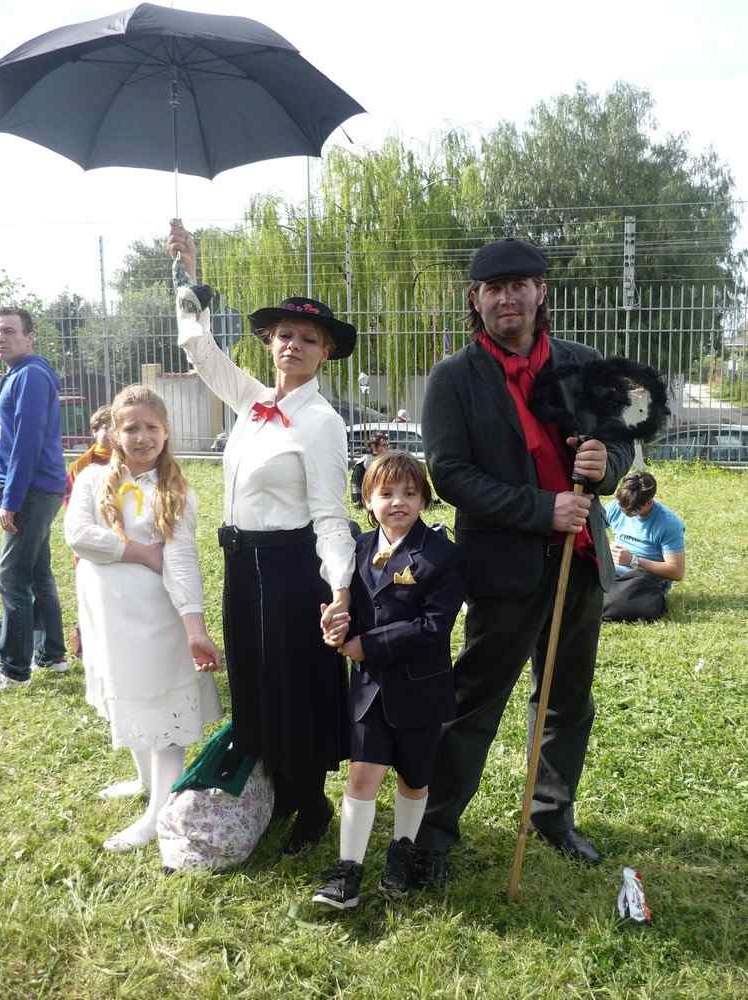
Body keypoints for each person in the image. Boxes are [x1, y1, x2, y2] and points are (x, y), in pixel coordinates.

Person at [416, 238, 634, 879]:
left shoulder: (584, 364)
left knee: (566, 699)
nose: (507, 297)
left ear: (542, 293)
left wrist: (605, 462)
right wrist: (543, 509)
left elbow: (620, 445)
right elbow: (450, 474)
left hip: (580, 559)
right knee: (474, 702)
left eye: (519, 284)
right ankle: (433, 830)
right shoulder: (453, 378)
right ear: (475, 301)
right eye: (493, 287)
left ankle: (551, 814)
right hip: (504, 566)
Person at [167, 219, 357, 854]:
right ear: (269, 344)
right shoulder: (250, 405)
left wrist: (338, 588)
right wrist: (186, 276)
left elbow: (331, 514)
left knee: (290, 682)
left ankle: (309, 802)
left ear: (325, 351)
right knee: (250, 676)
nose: (293, 345)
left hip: (289, 569)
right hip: (239, 562)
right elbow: (198, 348)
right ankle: (272, 788)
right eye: (283, 336)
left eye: (308, 338)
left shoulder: (323, 423)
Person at [65, 384, 222, 851]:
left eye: (152, 427)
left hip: (156, 621)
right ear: (113, 432)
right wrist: (138, 552)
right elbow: (78, 535)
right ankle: (143, 782)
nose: (142, 436)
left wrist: (194, 628)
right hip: (108, 618)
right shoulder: (94, 480)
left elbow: (180, 561)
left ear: (166, 431)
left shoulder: (174, 490)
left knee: (161, 713)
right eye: (131, 427)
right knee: (125, 696)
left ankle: (160, 811)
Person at [313, 452, 464, 909]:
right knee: (362, 776)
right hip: (368, 689)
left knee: (414, 779)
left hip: (421, 690)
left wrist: (368, 645)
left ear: (423, 499)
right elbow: (348, 607)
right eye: (386, 493)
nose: (398, 502)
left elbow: (434, 625)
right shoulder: (357, 550)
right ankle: (348, 870)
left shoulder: (442, 555)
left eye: (409, 493)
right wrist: (336, 626)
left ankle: (402, 850)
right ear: (367, 498)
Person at [0, 307, 67, 690]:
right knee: (38, 572)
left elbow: (27, 444)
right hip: (35, 487)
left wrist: (10, 499)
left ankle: (14, 668)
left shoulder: (32, 377)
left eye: (9, 331)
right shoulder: (18, 375)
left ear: (29, 337)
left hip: (32, 491)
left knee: (11, 576)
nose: (1, 337)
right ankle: (51, 654)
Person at [602, 472, 685, 622]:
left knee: (622, 601)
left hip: (641, 578)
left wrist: (634, 560)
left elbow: (676, 572)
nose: (625, 513)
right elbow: (590, 529)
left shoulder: (668, 524)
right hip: (611, 568)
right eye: (622, 507)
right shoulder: (618, 506)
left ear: (649, 502)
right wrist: (605, 547)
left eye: (632, 511)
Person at [64, 405, 113, 657]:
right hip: (89, 539)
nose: (106, 432)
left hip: (120, 538)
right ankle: (85, 645)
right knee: (89, 592)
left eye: (111, 425)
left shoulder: (128, 460)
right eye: (101, 427)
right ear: (93, 432)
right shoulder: (80, 465)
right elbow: (70, 505)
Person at [350, 430, 389, 507]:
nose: (386, 448)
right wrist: (357, 499)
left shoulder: (384, 459)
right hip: (365, 496)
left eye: (386, 445)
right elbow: (355, 483)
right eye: (383, 445)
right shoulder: (366, 461)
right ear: (374, 447)